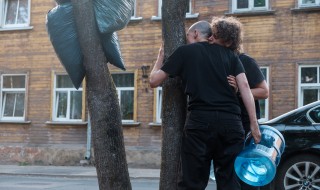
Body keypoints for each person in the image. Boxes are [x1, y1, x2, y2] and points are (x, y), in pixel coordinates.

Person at [149, 19, 261, 190]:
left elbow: (153, 81)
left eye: (187, 36)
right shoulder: (231, 56)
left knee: (193, 181)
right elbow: (245, 88)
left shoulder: (185, 52)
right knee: (229, 180)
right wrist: (254, 125)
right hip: (231, 123)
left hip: (200, 122)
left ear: (194, 34)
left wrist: (160, 58)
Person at [211, 17, 269, 190]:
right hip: (226, 127)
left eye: (215, 36)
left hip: (245, 128)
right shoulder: (216, 61)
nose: (210, 39)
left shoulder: (245, 61)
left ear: (228, 41)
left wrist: (240, 91)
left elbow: (264, 91)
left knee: (244, 177)